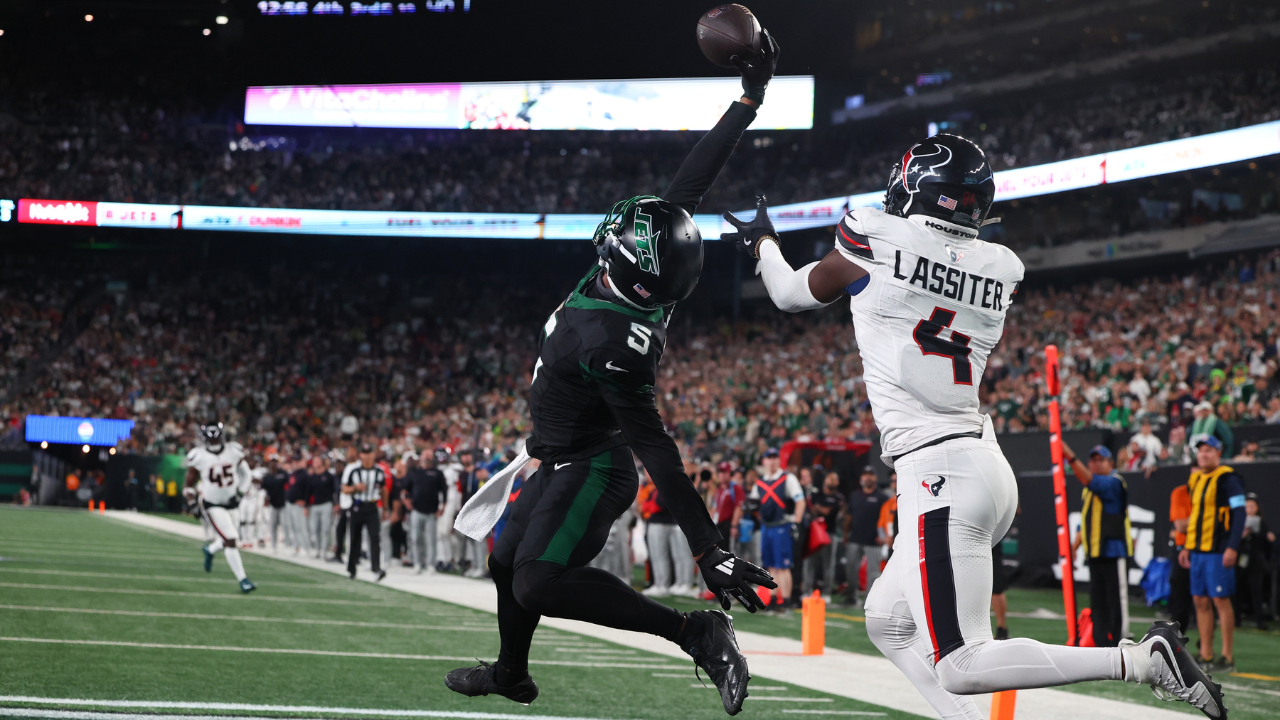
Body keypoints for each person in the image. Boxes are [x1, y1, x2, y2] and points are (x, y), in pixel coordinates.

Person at [729, 133, 1225, 718]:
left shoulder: (876, 237)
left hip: (937, 472)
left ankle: (1141, 660)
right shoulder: (1000, 266)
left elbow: (789, 294)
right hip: (982, 467)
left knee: (961, 663)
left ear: (916, 189)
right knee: (887, 620)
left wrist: (762, 242)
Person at [445, 36, 779, 716]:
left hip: (593, 465)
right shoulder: (644, 283)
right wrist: (747, 101)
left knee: (538, 582)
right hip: (554, 454)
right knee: (504, 561)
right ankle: (512, 674)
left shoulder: (609, 339)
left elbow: (656, 449)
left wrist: (708, 548)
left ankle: (694, 632)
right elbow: (688, 188)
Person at [1180, 435, 1247, 673]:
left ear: (1219, 453)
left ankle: (1227, 656)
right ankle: (1205, 653)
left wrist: (1232, 546)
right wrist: (1188, 545)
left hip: (1219, 549)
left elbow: (1240, 513)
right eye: (1201, 451)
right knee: (1199, 601)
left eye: (1209, 450)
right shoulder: (1196, 478)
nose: (1204, 455)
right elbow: (1196, 515)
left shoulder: (1228, 478)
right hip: (1198, 549)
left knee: (1220, 600)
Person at [1064, 443, 1133, 647]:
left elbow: (1088, 479)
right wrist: (1074, 547)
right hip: (1095, 553)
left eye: (1100, 460)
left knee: (1116, 601)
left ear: (1110, 463)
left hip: (1113, 551)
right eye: (1092, 460)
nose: (1095, 464)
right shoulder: (1090, 489)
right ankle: (1102, 642)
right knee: (1098, 602)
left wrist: (1069, 455)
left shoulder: (1114, 482)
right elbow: (1084, 522)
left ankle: (1121, 639)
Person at [181, 422, 256, 593]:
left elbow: (247, 474)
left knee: (228, 537)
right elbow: (188, 484)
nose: (214, 443)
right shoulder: (198, 455)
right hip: (212, 504)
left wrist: (241, 493)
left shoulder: (234, 451)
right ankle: (243, 580)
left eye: (216, 439)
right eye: (211, 439)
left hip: (231, 502)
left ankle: (210, 549)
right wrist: (192, 502)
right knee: (230, 539)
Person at [750, 447, 805, 612]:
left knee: (783, 566)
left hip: (782, 526)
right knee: (771, 565)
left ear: (778, 460)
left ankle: (786, 600)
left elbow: (800, 501)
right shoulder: (760, 483)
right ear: (764, 461)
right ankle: (774, 599)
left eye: (775, 458)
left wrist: (797, 521)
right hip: (767, 527)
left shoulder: (787, 478)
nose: (772, 461)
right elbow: (753, 502)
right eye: (769, 458)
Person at [342, 442, 389, 582]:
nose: (367, 457)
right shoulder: (354, 471)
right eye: (364, 454)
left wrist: (385, 508)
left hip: (372, 507)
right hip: (357, 507)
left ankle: (376, 568)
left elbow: (384, 490)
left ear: (373, 455)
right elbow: (344, 489)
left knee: (375, 537)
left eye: (369, 454)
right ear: (360, 455)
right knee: (355, 538)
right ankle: (352, 568)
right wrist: (356, 488)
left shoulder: (379, 471)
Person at [842, 467, 886, 607]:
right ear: (861, 478)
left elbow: (886, 518)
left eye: (871, 475)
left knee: (873, 572)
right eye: (865, 475)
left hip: (873, 540)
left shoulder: (881, 497)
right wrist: (845, 533)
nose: (868, 478)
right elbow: (849, 516)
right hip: (855, 538)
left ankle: (870, 601)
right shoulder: (855, 495)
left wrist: (883, 535)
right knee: (850, 569)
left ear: (876, 478)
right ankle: (851, 597)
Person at [403, 447, 449, 574]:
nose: (427, 458)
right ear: (421, 457)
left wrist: (443, 507)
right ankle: (418, 563)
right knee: (416, 538)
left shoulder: (437, 473)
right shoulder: (415, 472)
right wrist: (406, 501)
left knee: (431, 539)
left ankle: (430, 564)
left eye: (429, 456)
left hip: (431, 511)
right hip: (417, 510)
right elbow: (404, 489)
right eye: (426, 455)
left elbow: (444, 491)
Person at [804, 469, 844, 598]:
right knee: (809, 562)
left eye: (834, 479)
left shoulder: (839, 498)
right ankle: (807, 590)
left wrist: (818, 508)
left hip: (829, 534)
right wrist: (818, 509)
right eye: (830, 478)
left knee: (828, 564)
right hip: (814, 533)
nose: (832, 481)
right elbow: (810, 509)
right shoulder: (817, 494)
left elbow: (828, 512)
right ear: (825, 480)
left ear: (837, 482)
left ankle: (826, 593)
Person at [1238, 493, 1275, 630]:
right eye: (1247, 506)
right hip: (1241, 561)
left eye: (1252, 506)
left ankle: (1260, 620)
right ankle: (1237, 619)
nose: (1249, 509)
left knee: (1257, 591)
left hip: (1256, 562)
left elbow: (1266, 545)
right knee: (1238, 590)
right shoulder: (1238, 522)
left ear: (1257, 508)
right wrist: (1243, 534)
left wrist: (1267, 537)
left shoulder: (1262, 523)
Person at [1168, 480, 1194, 633]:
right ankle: (1175, 638)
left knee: (1206, 600)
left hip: (1208, 551)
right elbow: (1180, 526)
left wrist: (1189, 520)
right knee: (1179, 594)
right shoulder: (1180, 492)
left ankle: (1206, 651)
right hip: (1184, 548)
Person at [308, 456, 337, 560]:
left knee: (325, 529)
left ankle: (324, 550)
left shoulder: (329, 476)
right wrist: (307, 506)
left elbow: (335, 491)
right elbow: (308, 492)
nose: (315, 463)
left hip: (326, 504)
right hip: (315, 505)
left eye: (317, 461)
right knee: (315, 529)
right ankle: (317, 549)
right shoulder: (312, 477)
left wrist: (335, 504)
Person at [260, 458, 287, 552]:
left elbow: (289, 485)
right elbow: (263, 489)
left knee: (285, 525)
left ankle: (288, 545)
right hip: (272, 504)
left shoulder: (283, 473)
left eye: (275, 462)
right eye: (272, 463)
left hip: (284, 504)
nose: (273, 464)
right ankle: (274, 545)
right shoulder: (267, 476)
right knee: (273, 526)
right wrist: (266, 498)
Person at [284, 458, 311, 554]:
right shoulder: (293, 474)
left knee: (301, 527)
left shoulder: (304, 474)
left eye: (297, 461)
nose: (295, 463)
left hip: (299, 505)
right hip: (290, 503)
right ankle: (296, 547)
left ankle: (306, 548)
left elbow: (308, 489)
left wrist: (305, 502)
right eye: (294, 461)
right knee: (294, 527)